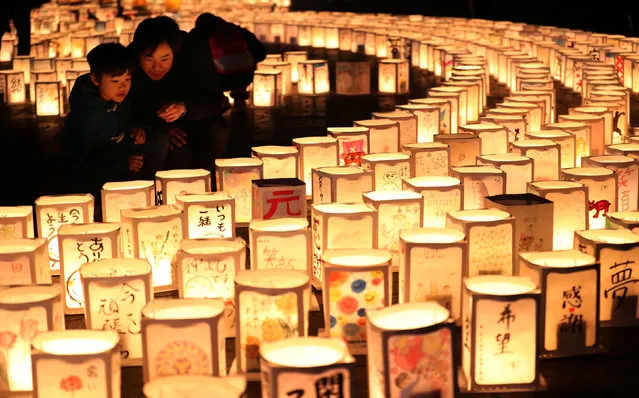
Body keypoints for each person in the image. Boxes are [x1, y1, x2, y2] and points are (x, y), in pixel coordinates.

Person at [128, 16, 229, 174]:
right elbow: (130, 107)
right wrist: (162, 126)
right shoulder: (130, 67)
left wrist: (184, 108)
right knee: (176, 156)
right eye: (149, 59)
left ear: (174, 53)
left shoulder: (194, 56)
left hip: (194, 120)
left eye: (164, 59)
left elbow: (215, 99)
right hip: (153, 128)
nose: (157, 67)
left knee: (216, 132)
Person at [63, 43, 144, 220]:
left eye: (127, 79)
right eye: (115, 81)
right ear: (95, 79)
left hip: (120, 165)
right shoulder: (85, 116)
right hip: (94, 185)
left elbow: (122, 125)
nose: (123, 87)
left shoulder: (121, 100)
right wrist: (123, 163)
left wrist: (134, 131)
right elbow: (79, 163)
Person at [190, 12, 266, 111]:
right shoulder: (238, 31)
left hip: (219, 79)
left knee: (199, 66)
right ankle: (240, 101)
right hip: (245, 76)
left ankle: (221, 100)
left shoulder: (198, 35)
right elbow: (261, 53)